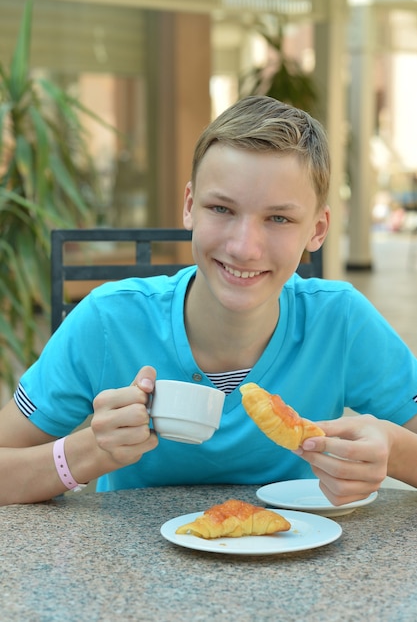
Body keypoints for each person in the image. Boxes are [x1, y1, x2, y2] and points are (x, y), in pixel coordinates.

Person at [1, 95, 417, 507]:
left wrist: (394, 450)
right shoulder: (108, 319)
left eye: (278, 219)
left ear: (318, 229)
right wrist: (91, 451)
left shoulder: (340, 320)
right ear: (189, 207)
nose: (244, 247)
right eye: (221, 208)